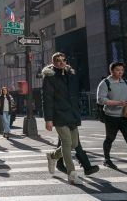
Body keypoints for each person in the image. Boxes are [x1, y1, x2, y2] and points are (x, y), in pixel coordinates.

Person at [43, 52, 83, 185]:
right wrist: (48, 119)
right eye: (58, 60)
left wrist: (78, 108)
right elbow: (47, 99)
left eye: (63, 60)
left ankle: (52, 156)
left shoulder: (71, 74)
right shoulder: (50, 77)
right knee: (66, 142)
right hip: (58, 114)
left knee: (74, 144)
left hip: (72, 114)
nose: (61, 62)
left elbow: (75, 94)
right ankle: (71, 174)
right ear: (53, 62)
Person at [97, 61, 127, 169]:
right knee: (110, 138)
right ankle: (107, 159)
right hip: (111, 116)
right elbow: (101, 99)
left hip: (126, 116)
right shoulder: (105, 83)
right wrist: (118, 103)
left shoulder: (126, 82)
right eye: (117, 70)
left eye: (122, 70)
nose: (120, 72)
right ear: (111, 70)